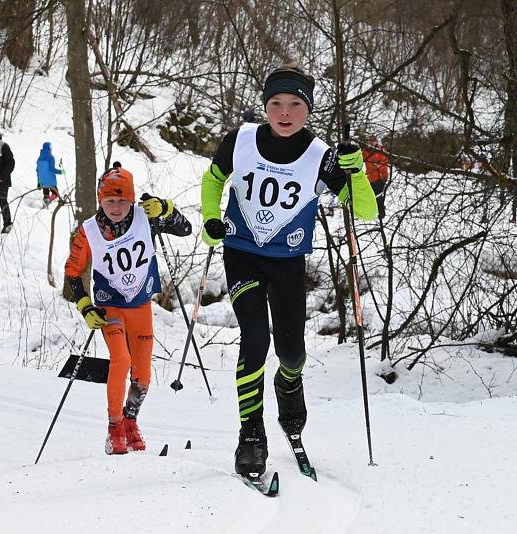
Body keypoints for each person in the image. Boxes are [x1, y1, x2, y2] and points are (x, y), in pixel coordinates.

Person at [200, 65, 378, 478]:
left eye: (295, 104)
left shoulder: (321, 156)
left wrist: (357, 171)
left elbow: (365, 209)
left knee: (291, 352)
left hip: (287, 260)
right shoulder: (241, 140)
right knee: (255, 337)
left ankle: (289, 384)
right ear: (265, 106)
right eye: (276, 103)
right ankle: (251, 435)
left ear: (307, 109)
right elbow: (213, 181)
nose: (284, 112)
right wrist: (212, 220)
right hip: (242, 253)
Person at [64, 163, 192, 454]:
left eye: (123, 200)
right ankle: (114, 428)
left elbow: (186, 229)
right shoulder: (88, 231)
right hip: (110, 306)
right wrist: (85, 306)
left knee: (143, 373)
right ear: (100, 199)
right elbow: (72, 272)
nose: (117, 207)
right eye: (110, 201)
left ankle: (130, 421)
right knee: (120, 360)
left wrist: (165, 208)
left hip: (141, 306)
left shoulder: (146, 218)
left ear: (132, 199)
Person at [363, 135, 389, 218]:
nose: (370, 142)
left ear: (376, 141)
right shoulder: (365, 151)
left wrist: (377, 165)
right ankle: (373, 212)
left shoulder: (381, 150)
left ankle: (381, 213)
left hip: (380, 177)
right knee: (371, 196)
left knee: (379, 197)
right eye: (368, 141)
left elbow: (384, 162)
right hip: (370, 178)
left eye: (372, 140)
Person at [35, 141, 62, 208]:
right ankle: (47, 202)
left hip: (42, 181)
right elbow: (52, 169)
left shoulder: (39, 159)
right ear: (49, 148)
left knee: (46, 195)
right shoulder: (51, 157)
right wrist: (61, 172)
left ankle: (44, 208)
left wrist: (38, 182)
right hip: (51, 181)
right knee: (55, 194)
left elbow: (38, 171)